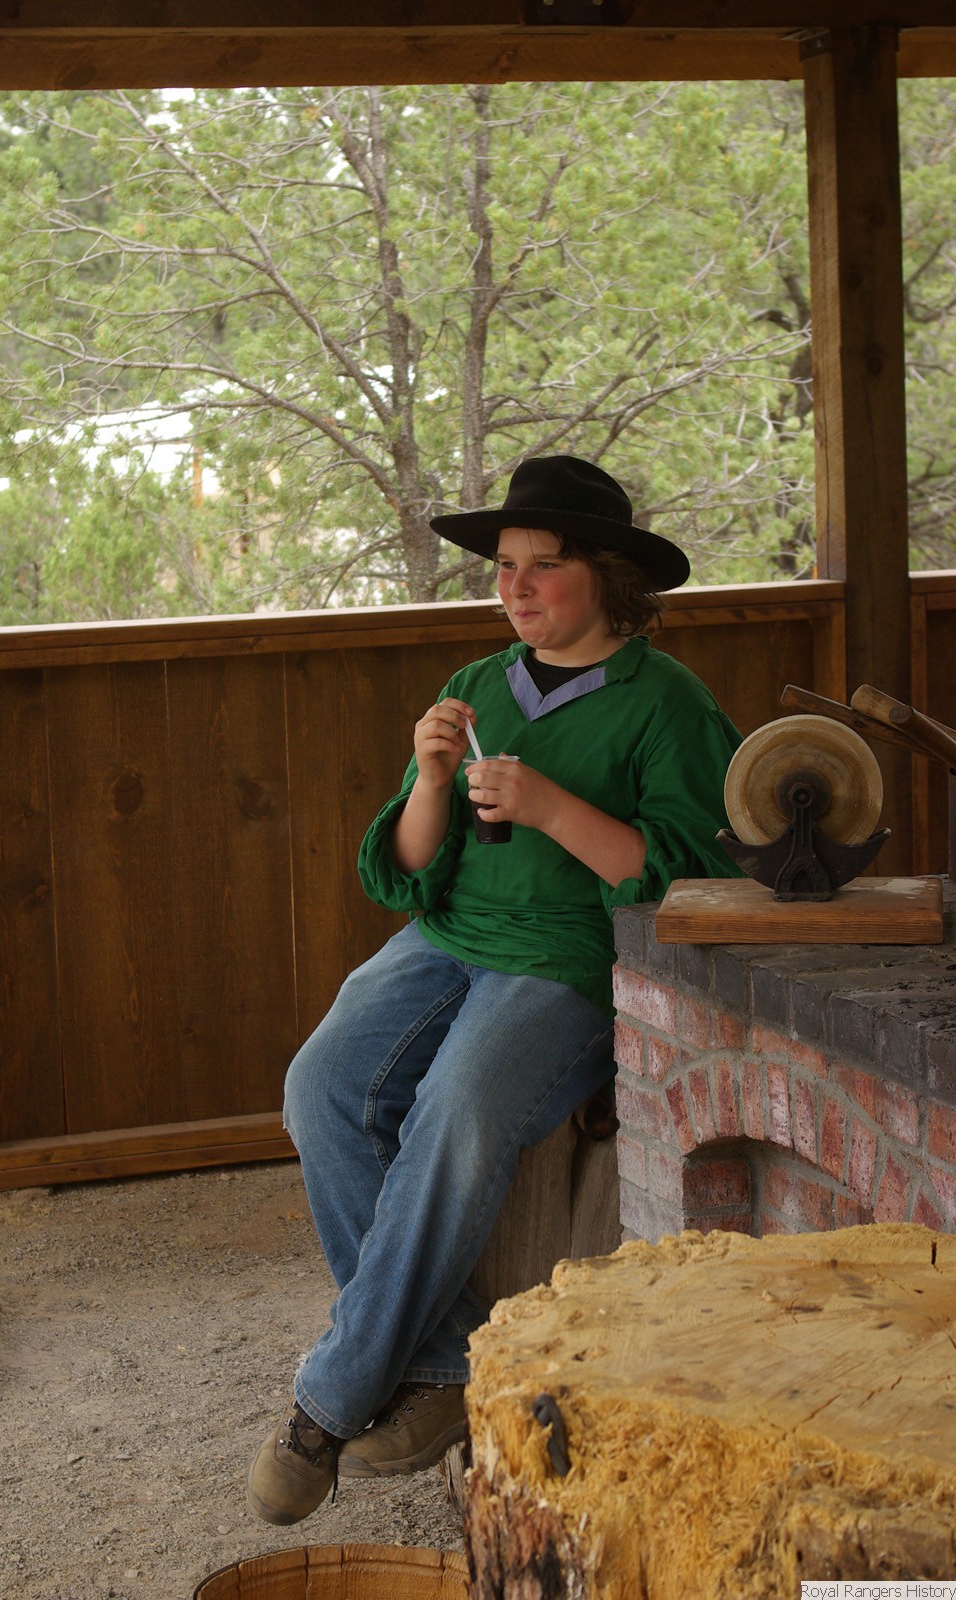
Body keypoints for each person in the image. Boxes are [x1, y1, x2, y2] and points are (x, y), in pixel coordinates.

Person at [246, 454, 741, 1526]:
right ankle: (439, 1364)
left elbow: (691, 878)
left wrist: (553, 807)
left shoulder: (667, 701)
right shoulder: (476, 684)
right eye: (504, 566)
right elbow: (407, 867)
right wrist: (429, 781)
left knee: (457, 1109)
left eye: (542, 566)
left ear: (608, 577)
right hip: (446, 938)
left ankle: (326, 1403)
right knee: (319, 1085)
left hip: (567, 958)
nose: (515, 587)